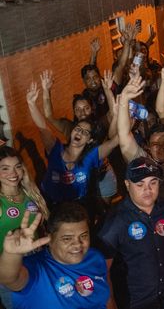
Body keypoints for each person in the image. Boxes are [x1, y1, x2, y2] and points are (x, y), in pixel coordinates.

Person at [98, 156, 164, 309]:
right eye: (140, 184)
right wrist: (111, 304)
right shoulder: (115, 220)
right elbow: (103, 268)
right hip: (137, 303)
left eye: (153, 183)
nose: (147, 190)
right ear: (127, 185)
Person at [26, 82, 118, 208]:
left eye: (85, 132)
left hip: (80, 204)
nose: (80, 132)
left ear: (90, 140)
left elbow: (117, 139)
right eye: (78, 129)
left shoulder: (91, 155)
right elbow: (43, 127)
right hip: (52, 204)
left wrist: (123, 107)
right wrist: (31, 103)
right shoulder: (56, 149)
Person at [0, 202, 110, 309]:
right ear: (50, 239)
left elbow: (107, 297)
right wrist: (11, 254)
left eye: (83, 236)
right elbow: (9, 278)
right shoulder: (36, 268)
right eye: (67, 238)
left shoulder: (95, 257)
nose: (77, 244)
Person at [0, 146, 50, 309]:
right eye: (5, 169)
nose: (13, 174)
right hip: (10, 267)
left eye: (17, 166)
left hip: (37, 260)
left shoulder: (30, 193)